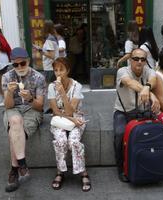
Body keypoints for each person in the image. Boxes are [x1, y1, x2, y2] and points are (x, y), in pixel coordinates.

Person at [113, 48, 163, 181]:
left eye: (143, 59)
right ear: (130, 60)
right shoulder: (123, 71)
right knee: (120, 133)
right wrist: (149, 93)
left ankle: (155, 161)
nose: (139, 62)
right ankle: (122, 167)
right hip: (124, 111)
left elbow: (153, 79)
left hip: (144, 111)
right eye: (136, 59)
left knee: (159, 130)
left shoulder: (148, 71)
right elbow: (130, 83)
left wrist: (148, 87)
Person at [2, 47, 45, 192]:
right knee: (15, 121)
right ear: (12, 64)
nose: (19, 67)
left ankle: (14, 170)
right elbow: (8, 106)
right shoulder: (7, 77)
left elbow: (40, 107)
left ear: (28, 61)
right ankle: (22, 164)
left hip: (32, 110)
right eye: (15, 64)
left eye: (23, 63)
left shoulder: (38, 77)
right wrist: (9, 92)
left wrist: (30, 99)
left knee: (13, 132)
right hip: (13, 109)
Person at [48, 57, 91, 192]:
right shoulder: (51, 86)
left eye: (62, 70)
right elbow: (54, 111)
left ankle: (83, 171)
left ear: (68, 70)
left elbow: (70, 110)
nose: (58, 73)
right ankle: (60, 171)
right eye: (56, 70)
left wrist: (62, 93)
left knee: (73, 142)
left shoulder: (77, 86)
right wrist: (71, 119)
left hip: (77, 117)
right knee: (60, 140)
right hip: (59, 119)